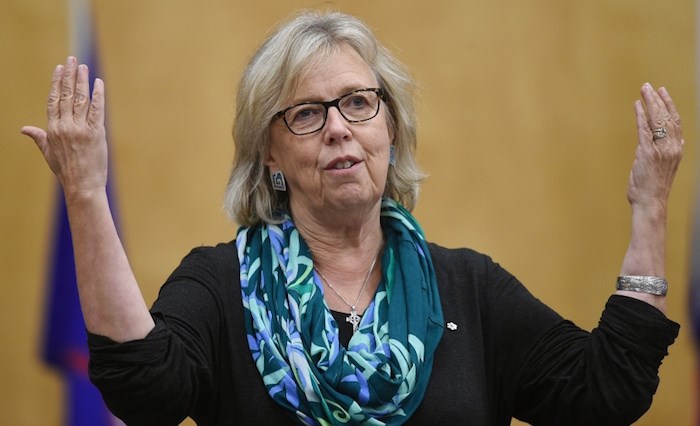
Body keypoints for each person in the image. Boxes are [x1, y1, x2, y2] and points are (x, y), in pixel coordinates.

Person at [21, 10, 682, 426]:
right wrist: (85, 194)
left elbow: (607, 393)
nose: (338, 127)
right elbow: (144, 390)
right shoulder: (220, 288)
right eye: (306, 113)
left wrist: (650, 210)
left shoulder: (468, 290)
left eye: (359, 103)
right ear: (271, 156)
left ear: (390, 131)